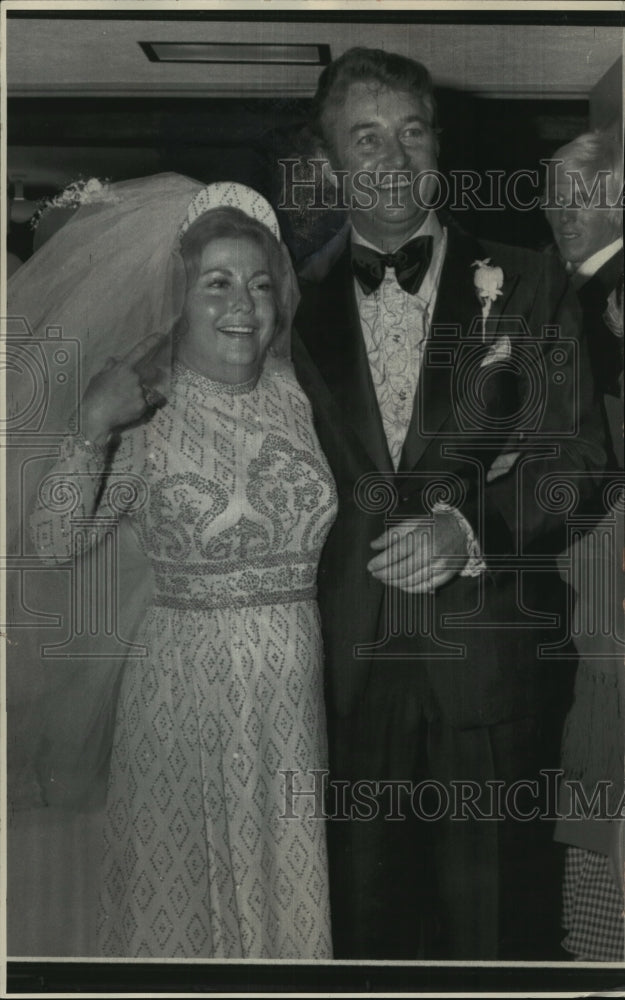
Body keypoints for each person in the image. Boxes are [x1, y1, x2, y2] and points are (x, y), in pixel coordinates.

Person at [290, 47, 609, 959]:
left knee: (497, 930)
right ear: (327, 165)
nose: (393, 155)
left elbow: (580, 459)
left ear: (439, 146)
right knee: (361, 932)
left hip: (495, 669)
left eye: (412, 130)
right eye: (365, 136)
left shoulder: (530, 280)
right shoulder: (286, 310)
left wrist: (469, 527)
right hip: (340, 678)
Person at [10, 175, 336, 958]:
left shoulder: (299, 396)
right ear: (179, 295)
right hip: (181, 692)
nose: (242, 304)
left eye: (259, 284)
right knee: (183, 908)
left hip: (290, 696)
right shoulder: (145, 407)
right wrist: (91, 424)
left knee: (282, 902)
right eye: (216, 282)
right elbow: (54, 540)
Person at [544, 131, 624, 962]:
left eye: (579, 197)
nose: (563, 215)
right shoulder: (566, 289)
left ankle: (600, 935)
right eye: (552, 198)